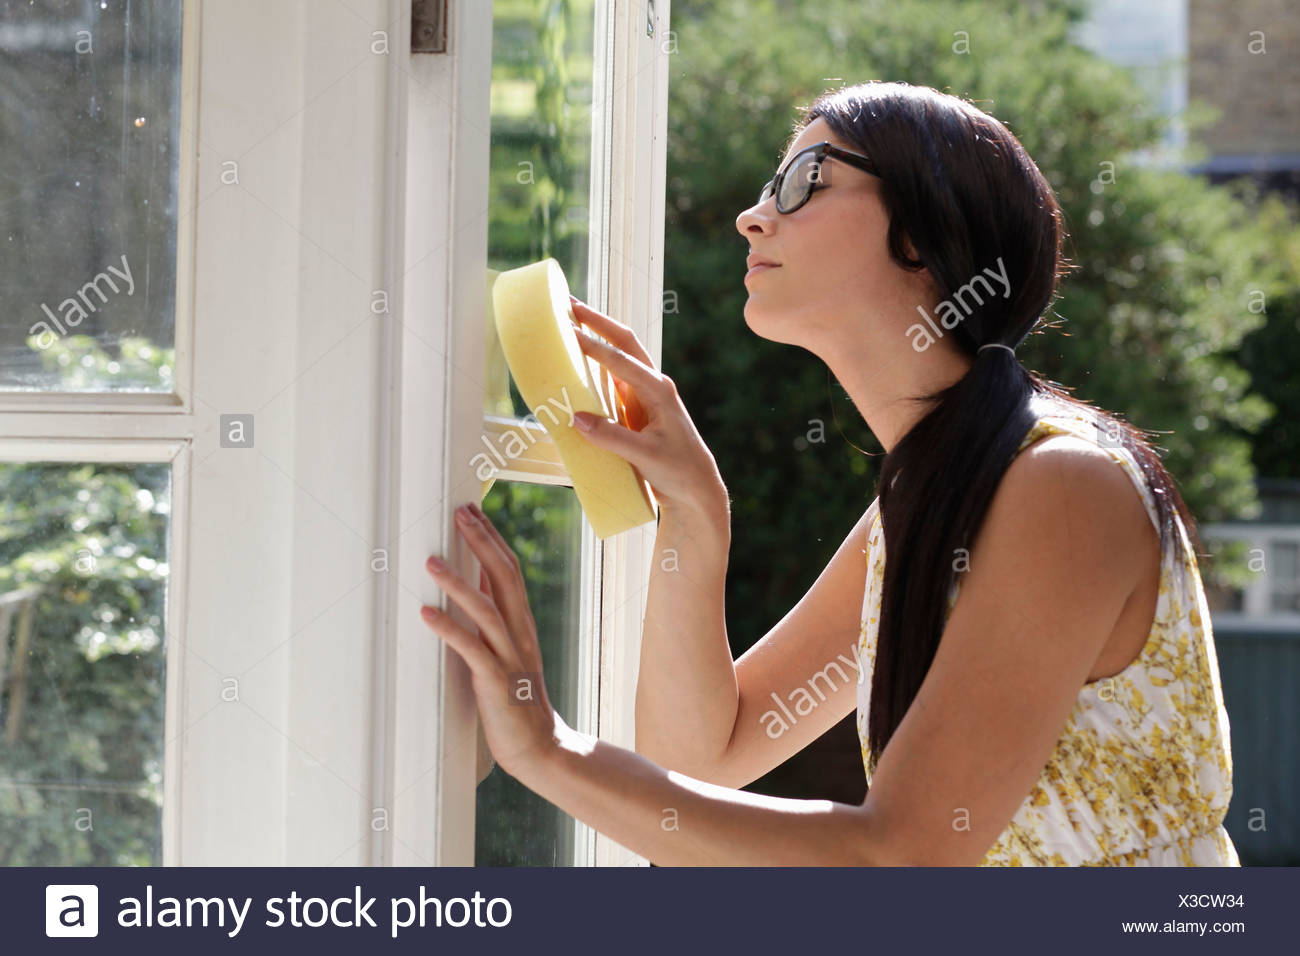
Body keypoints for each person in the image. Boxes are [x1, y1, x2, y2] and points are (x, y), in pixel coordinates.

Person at [421, 80, 1239, 866]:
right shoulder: (926, 503)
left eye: (805, 179)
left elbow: (899, 859)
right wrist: (695, 515)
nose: (752, 217)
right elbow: (701, 762)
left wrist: (550, 752)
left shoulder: (1063, 485)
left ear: (921, 234)